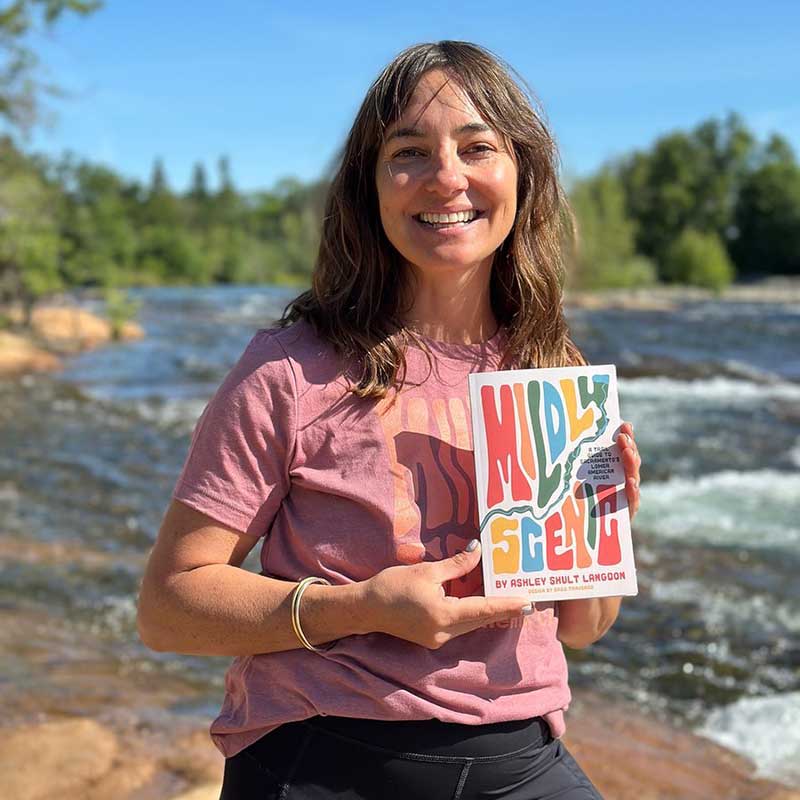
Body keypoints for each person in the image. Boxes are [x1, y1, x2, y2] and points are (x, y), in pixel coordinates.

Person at [137, 40, 642, 800]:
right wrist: (360, 609)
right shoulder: (290, 368)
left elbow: (581, 626)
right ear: (369, 188)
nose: (446, 177)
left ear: (521, 172)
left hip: (522, 754)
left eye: (477, 146)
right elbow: (168, 607)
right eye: (409, 152)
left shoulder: (554, 370)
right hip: (328, 756)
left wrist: (603, 524)